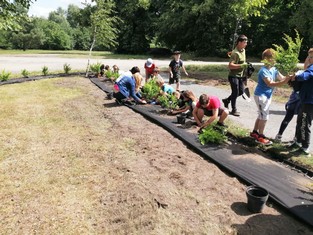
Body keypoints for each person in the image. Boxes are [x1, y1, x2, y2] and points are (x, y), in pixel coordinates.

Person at [250, 48, 290, 145]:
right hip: (261, 96)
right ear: (265, 59)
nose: (274, 60)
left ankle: (255, 132)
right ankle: (261, 136)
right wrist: (283, 82)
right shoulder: (263, 71)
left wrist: (290, 77)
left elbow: (282, 78)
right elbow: (270, 83)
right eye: (272, 58)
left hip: (267, 96)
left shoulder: (274, 69)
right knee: (265, 117)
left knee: (261, 115)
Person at [289, 48, 313, 156]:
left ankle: (305, 147)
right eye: (309, 56)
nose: (309, 59)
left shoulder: (312, 69)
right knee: (300, 121)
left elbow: (304, 76)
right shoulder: (310, 67)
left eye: (311, 57)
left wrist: (296, 76)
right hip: (305, 99)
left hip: (309, 101)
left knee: (304, 123)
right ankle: (298, 141)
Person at [222, 35, 249, 116]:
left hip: (241, 75)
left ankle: (227, 100)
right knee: (235, 92)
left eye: (246, 42)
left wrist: (245, 74)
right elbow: (230, 66)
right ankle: (234, 110)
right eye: (244, 42)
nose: (246, 44)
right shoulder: (235, 53)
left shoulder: (243, 50)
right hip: (233, 76)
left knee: (241, 91)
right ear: (239, 42)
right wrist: (241, 66)